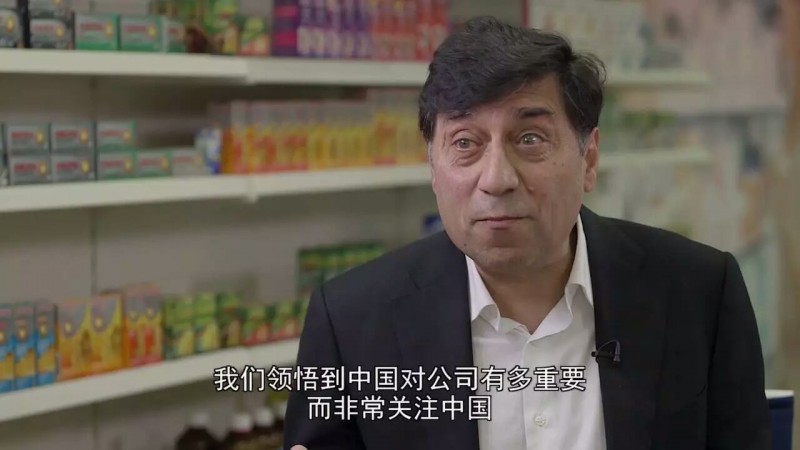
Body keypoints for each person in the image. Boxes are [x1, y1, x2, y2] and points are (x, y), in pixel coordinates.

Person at [284, 16, 771, 450]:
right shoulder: (350, 322)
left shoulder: (700, 294)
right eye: (465, 143)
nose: (497, 179)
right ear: (432, 167)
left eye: (530, 139)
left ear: (589, 159)